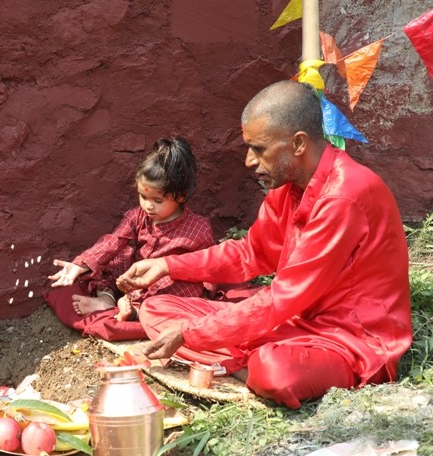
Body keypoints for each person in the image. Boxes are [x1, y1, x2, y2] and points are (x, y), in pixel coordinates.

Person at [116, 80, 412, 409]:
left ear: (298, 143)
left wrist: (190, 334)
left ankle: (246, 361)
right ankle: (246, 358)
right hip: (293, 322)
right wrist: (166, 266)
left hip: (349, 341)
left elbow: (282, 298)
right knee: (158, 308)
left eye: (258, 149)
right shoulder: (286, 187)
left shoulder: (345, 194)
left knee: (276, 371)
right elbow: (250, 254)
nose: (248, 161)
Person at [44, 137, 216, 342]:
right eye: (143, 197)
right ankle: (106, 299)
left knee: (180, 287)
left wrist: (207, 294)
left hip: (166, 286)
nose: (148, 206)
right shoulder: (137, 216)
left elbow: (209, 266)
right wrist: (81, 265)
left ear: (180, 196)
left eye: (157, 200)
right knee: (111, 261)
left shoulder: (198, 228)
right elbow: (113, 241)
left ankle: (134, 311)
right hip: (134, 280)